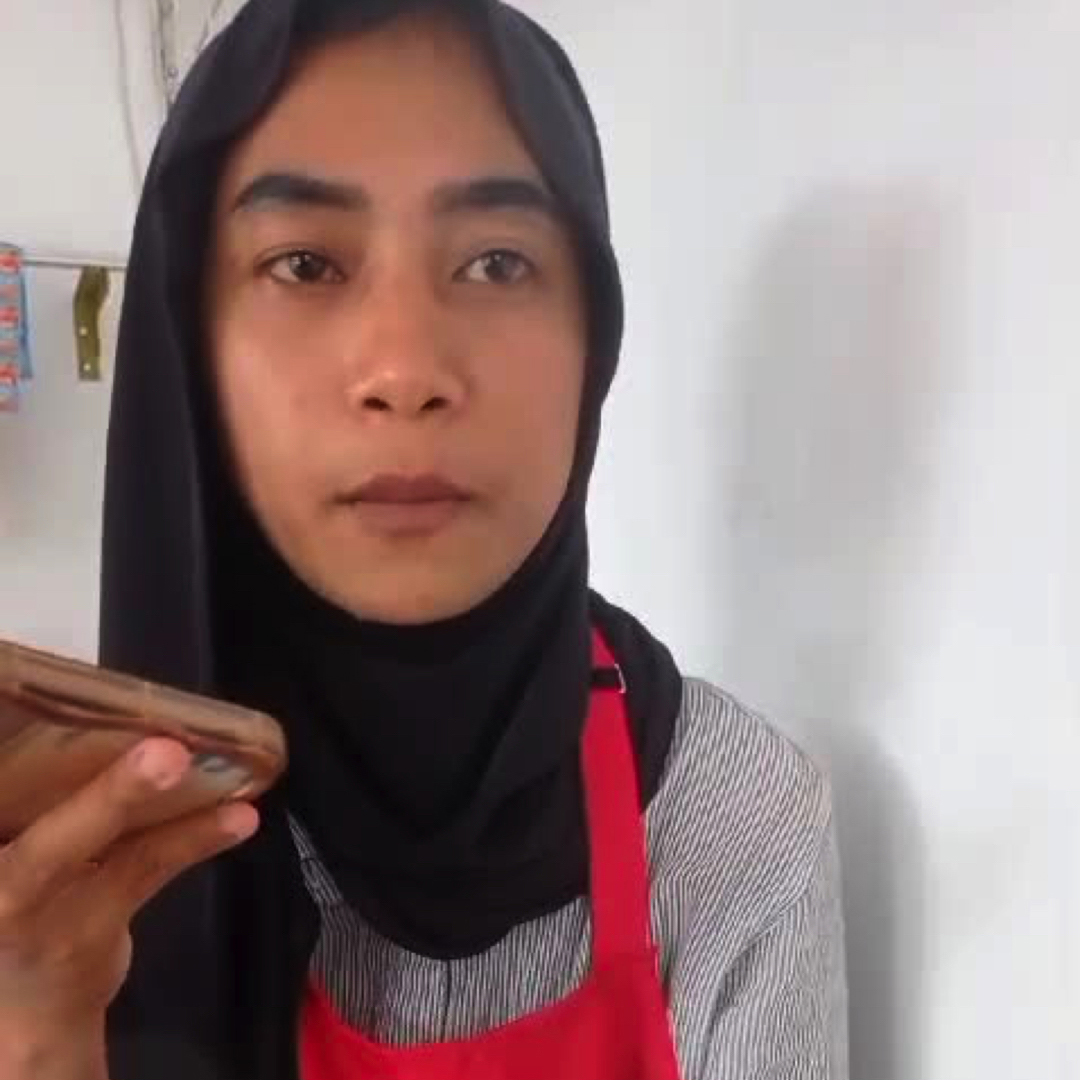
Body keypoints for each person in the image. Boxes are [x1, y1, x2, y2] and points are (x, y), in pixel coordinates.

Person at [0, 1, 848, 1078]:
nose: (406, 370)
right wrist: (39, 1037)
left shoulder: (735, 819)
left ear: (594, 338)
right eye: (305, 264)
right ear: (191, 345)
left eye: (496, 263)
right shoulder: (65, 842)